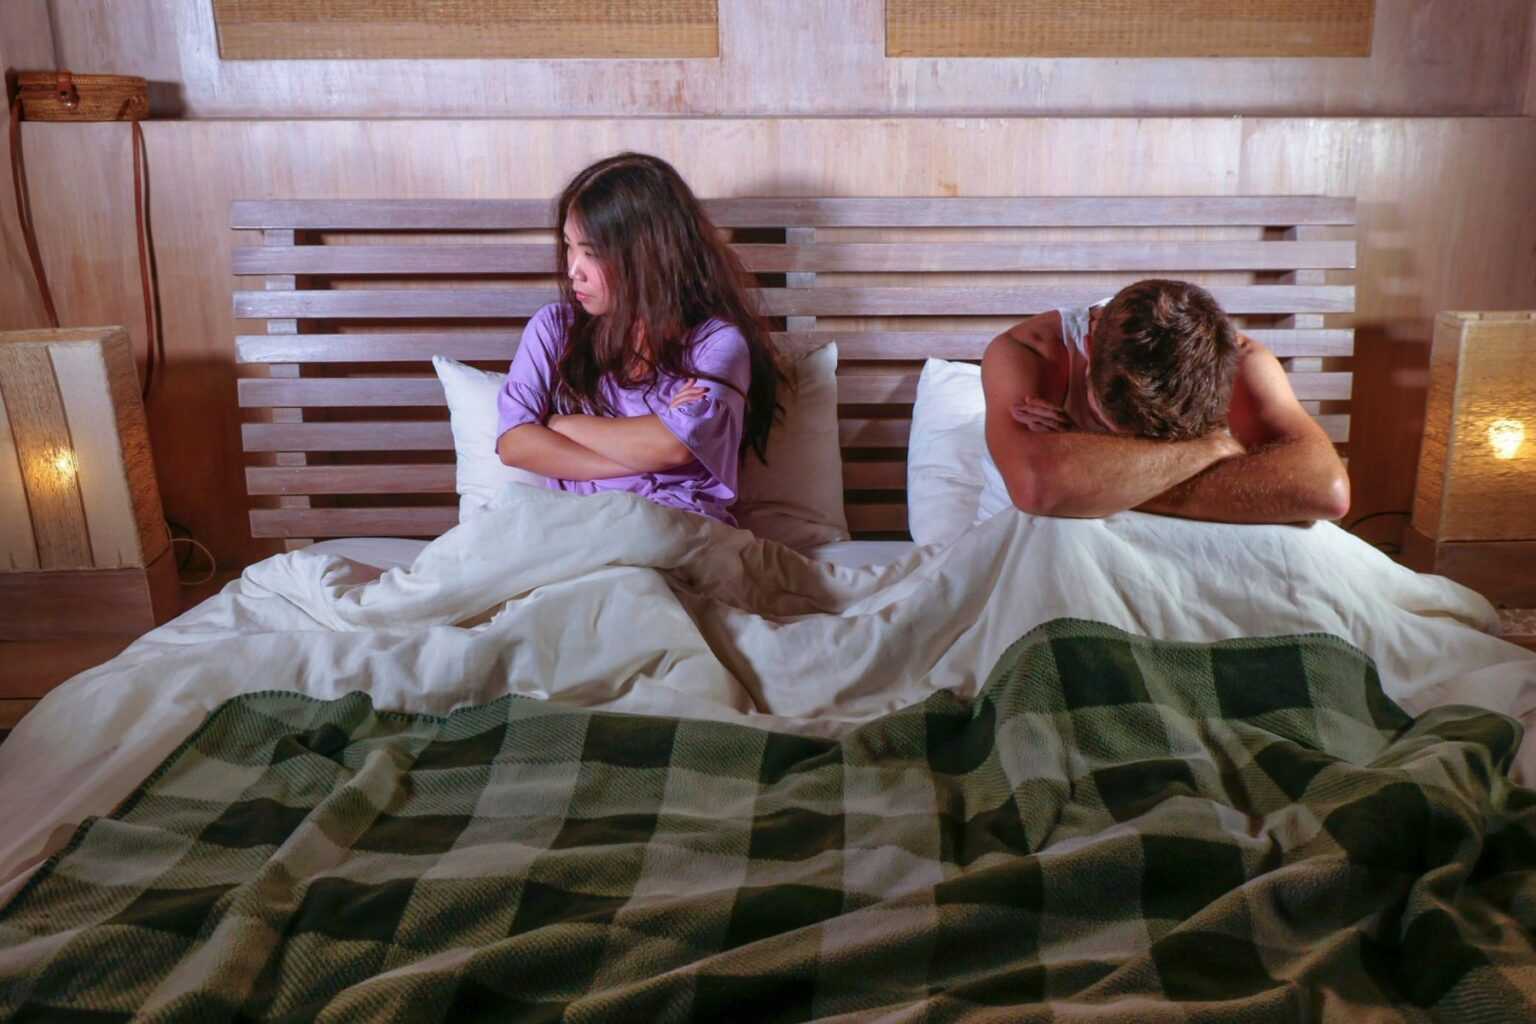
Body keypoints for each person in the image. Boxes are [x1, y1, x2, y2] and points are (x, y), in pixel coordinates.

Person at [495, 153, 780, 526]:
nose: (573, 270)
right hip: (578, 527)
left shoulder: (716, 343)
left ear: (647, 256)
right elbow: (514, 443)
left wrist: (559, 424)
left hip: (674, 525)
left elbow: (672, 447)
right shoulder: (554, 329)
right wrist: (636, 458)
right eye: (569, 245)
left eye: (591, 253)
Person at [980, 278, 1350, 524]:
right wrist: (1214, 448)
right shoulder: (1029, 352)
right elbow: (1038, 488)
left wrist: (1088, 476)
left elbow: (1327, 491)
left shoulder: (1239, 359)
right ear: (1089, 351)